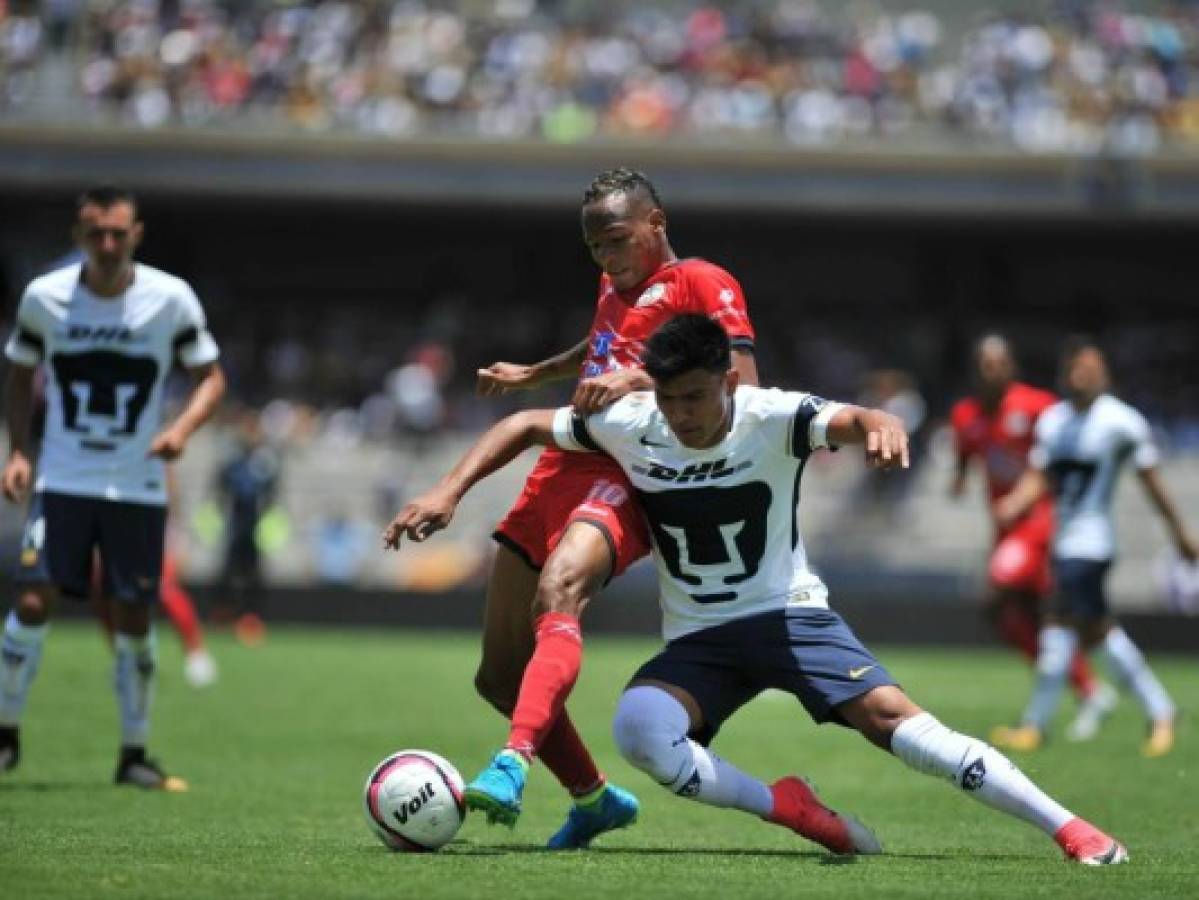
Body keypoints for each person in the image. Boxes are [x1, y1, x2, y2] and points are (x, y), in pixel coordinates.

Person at [386, 314, 1127, 865]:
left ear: (727, 382)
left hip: (786, 617)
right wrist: (447, 491)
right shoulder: (633, 421)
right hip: (701, 640)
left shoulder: (772, 416)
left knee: (901, 729)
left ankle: (1066, 826)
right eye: (670, 398)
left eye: (697, 397)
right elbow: (521, 425)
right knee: (638, 730)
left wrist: (878, 425)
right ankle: (791, 809)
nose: (683, 415)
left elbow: (851, 416)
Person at [462, 168, 760, 846]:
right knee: (497, 676)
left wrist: (642, 381)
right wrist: (535, 374)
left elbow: (744, 381)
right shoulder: (615, 286)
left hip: (626, 467)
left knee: (559, 592)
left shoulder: (702, 282)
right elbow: (601, 352)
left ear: (657, 222)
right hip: (562, 459)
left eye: (618, 240)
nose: (607, 257)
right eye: (595, 248)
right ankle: (594, 800)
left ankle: (513, 762)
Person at [0, 184, 225, 787]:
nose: (105, 244)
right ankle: (7, 733)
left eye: (116, 233)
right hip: (64, 477)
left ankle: (133, 754)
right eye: (94, 233)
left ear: (136, 235)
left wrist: (180, 431)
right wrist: (20, 449)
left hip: (137, 486)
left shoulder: (169, 298)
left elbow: (210, 377)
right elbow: (18, 374)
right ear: (78, 237)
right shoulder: (44, 299)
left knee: (132, 618)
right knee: (30, 599)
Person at [990, 338, 1195, 757]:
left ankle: (1034, 726)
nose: (1081, 376)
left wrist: (1180, 534)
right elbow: (1041, 475)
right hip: (1063, 543)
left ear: (1105, 374)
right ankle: (1161, 710)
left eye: (1089, 368)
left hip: (1093, 544)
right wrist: (1018, 502)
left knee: (1056, 627)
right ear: (1065, 375)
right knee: (1098, 635)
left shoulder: (1121, 422)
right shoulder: (1054, 421)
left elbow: (1153, 484)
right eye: (1074, 369)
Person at [949, 335, 1115, 741]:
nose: (993, 371)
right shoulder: (965, 414)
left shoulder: (1037, 406)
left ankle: (1079, 690)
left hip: (1037, 522)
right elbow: (966, 456)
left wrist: (1027, 496)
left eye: (999, 363)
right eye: (985, 364)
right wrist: (958, 480)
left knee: (998, 594)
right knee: (1026, 617)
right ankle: (1087, 687)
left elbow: (1058, 456)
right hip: (1005, 527)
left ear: (1011, 366)